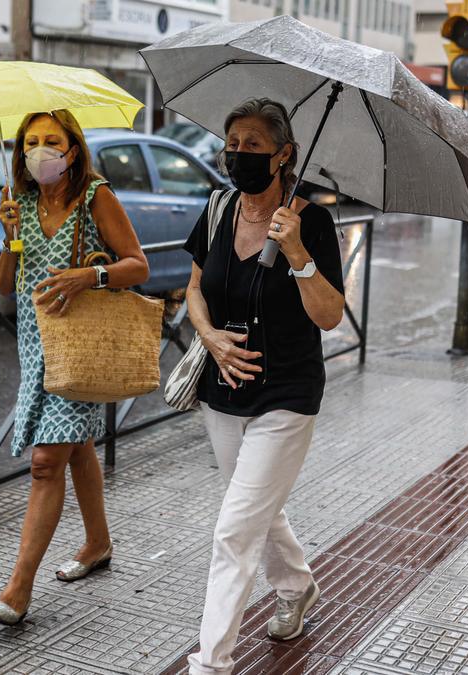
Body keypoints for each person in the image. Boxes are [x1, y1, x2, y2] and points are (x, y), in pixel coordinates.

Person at [183, 98, 345, 673]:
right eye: (233, 143)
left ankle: (212, 660)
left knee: (234, 529)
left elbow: (329, 316)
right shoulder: (218, 208)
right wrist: (209, 338)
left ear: (284, 154)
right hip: (223, 388)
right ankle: (297, 585)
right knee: (255, 507)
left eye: (253, 145)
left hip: (287, 392)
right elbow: (194, 290)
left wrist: (297, 251)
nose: (239, 155)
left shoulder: (314, 222)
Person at [0, 110, 150, 626]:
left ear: (72, 150)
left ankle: (18, 590)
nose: (40, 151)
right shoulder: (21, 203)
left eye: (51, 141)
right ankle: (98, 543)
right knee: (76, 448)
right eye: (30, 142)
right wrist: (8, 234)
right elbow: (6, 285)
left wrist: (88, 276)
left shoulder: (95, 195)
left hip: (78, 343)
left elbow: (136, 264)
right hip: (36, 345)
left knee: (46, 461)